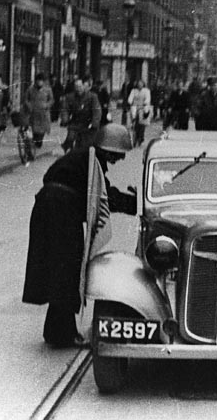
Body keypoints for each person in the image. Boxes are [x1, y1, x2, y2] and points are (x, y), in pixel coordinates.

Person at [22, 124, 137, 348]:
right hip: (61, 212)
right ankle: (62, 334)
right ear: (109, 149)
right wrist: (133, 203)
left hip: (51, 209)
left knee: (61, 270)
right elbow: (104, 197)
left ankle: (55, 330)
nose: (119, 160)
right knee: (68, 270)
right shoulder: (90, 162)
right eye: (118, 155)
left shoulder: (85, 157)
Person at [60, 76, 102, 152]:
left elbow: (97, 111)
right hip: (75, 122)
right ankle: (68, 152)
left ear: (84, 86)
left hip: (88, 124)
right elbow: (65, 109)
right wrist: (65, 119)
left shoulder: (92, 97)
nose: (78, 89)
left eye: (80, 86)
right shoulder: (70, 97)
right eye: (76, 87)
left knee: (88, 144)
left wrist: (94, 123)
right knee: (70, 138)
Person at [23, 73, 54, 149]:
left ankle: (39, 141)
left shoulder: (48, 89)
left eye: (41, 81)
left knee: (42, 130)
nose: (39, 83)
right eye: (38, 81)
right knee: (34, 129)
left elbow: (51, 100)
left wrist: (47, 105)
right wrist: (29, 105)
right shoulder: (30, 89)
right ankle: (35, 142)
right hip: (34, 112)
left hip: (43, 113)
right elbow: (26, 99)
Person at [128, 79, 153, 146]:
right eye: (138, 84)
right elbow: (130, 98)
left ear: (143, 84)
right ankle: (135, 135)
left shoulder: (146, 91)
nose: (139, 85)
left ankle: (141, 137)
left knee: (142, 123)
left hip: (143, 108)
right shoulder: (133, 91)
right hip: (135, 107)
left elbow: (148, 98)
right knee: (134, 121)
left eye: (141, 84)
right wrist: (130, 102)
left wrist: (145, 103)